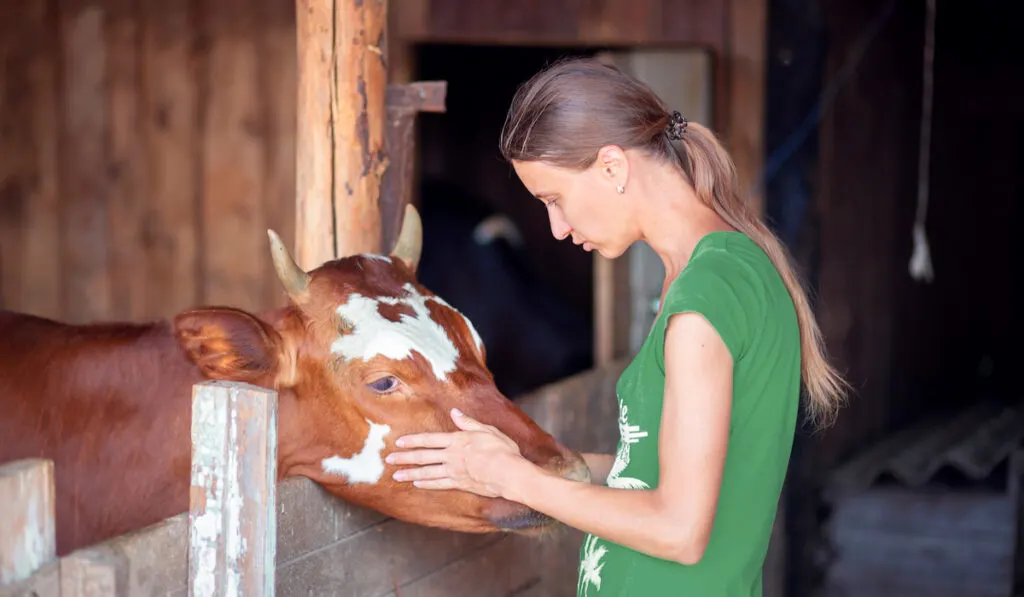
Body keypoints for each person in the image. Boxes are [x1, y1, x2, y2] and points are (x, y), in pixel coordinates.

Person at [385, 56, 848, 596]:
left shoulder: (704, 299)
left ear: (612, 167)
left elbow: (679, 530)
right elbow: (648, 470)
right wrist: (535, 461)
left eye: (554, 200)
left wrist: (516, 481)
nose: (557, 229)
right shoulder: (720, 271)